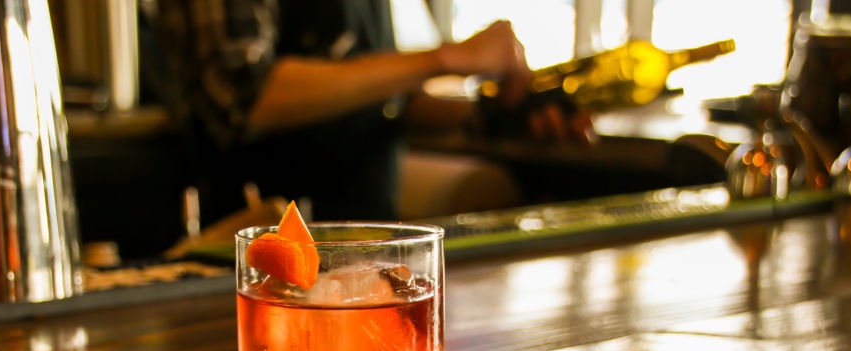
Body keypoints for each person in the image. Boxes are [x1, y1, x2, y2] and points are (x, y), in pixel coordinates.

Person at [147, 0, 589, 225]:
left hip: (365, 244)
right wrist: (445, 57)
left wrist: (495, 114)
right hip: (256, 259)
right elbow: (241, 98)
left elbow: (383, 103)